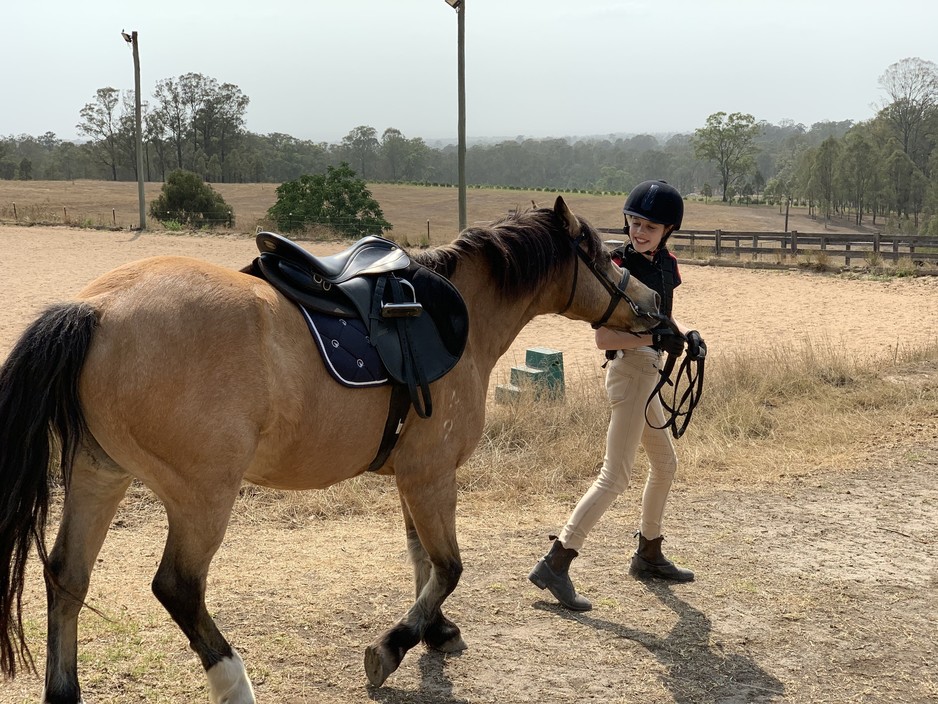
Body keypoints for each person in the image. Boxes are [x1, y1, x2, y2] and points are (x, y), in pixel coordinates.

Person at [528, 179, 706, 612]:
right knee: (616, 475)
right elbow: (604, 337)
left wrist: (685, 335)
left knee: (665, 464)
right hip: (629, 375)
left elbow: (663, 319)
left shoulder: (668, 268)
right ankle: (557, 561)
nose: (639, 231)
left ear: (668, 231)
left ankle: (648, 552)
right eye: (634, 222)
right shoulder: (615, 266)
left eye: (649, 225)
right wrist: (653, 333)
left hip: (650, 375)